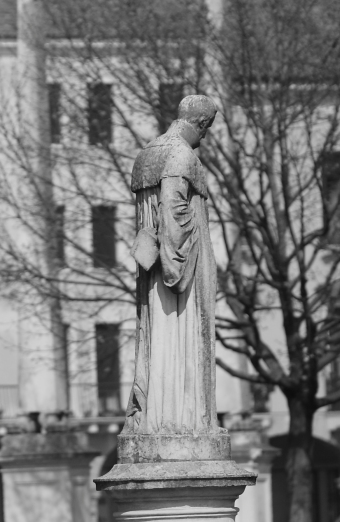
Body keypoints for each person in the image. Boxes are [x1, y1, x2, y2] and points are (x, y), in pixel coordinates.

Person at [125, 94, 220, 434]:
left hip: (153, 269)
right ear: (202, 123)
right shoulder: (181, 155)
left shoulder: (147, 153)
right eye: (207, 128)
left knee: (156, 341)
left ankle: (159, 415)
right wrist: (179, 265)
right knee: (181, 340)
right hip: (178, 276)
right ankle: (183, 419)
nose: (205, 136)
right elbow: (174, 209)